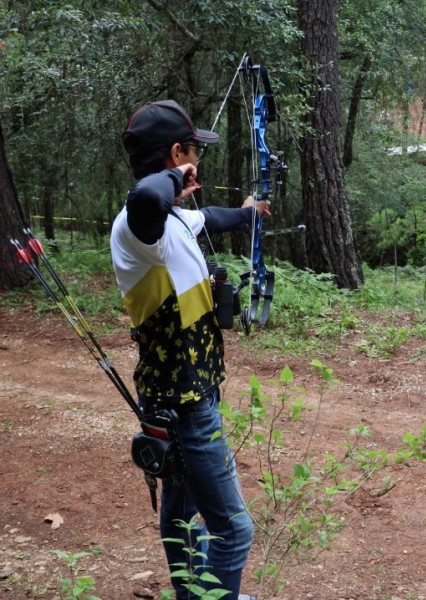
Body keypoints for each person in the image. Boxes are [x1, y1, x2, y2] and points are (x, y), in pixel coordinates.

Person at [111, 99, 263, 600]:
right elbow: (148, 198)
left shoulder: (172, 220)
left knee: (180, 518)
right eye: (192, 150)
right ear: (177, 154)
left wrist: (247, 214)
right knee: (233, 531)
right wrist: (180, 175)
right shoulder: (139, 226)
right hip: (184, 404)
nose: (198, 158)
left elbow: (210, 220)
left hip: (185, 395)